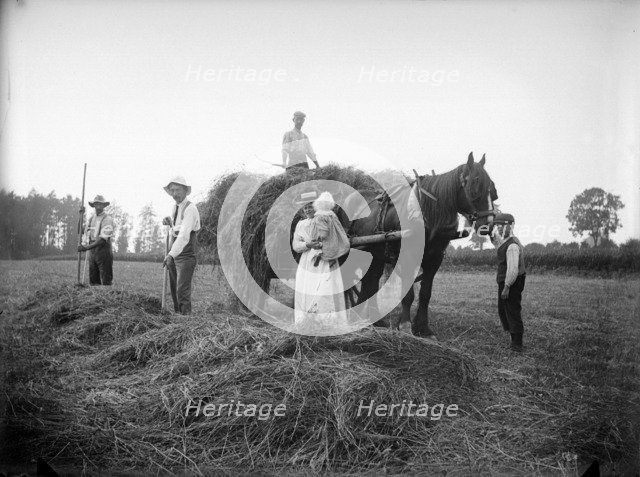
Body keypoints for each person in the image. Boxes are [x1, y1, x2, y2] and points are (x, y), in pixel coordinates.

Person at [292, 191, 348, 332]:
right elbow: (296, 246)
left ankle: (327, 323)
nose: (308, 210)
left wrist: (325, 246)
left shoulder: (327, 218)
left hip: (325, 259)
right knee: (308, 289)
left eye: (310, 206)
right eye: (305, 208)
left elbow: (337, 238)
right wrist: (307, 245)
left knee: (325, 289)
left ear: (316, 206)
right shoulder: (301, 225)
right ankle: (307, 323)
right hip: (308, 261)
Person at [162, 176, 201, 315]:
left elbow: (184, 236)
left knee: (182, 290)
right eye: (172, 190)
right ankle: (177, 316)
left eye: (177, 190)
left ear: (185, 190)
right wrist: (169, 223)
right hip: (174, 252)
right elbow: (177, 230)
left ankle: (185, 320)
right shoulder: (175, 208)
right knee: (173, 289)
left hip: (185, 255)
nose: (174, 194)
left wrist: (171, 254)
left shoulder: (190, 209)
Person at [490, 213, 527, 352]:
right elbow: (497, 242)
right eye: (497, 225)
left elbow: (512, 269)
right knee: (504, 310)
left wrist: (507, 287)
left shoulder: (512, 246)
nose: (498, 228)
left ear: (510, 226)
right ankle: (514, 340)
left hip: (511, 283)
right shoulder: (507, 242)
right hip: (507, 283)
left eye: (501, 225)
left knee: (512, 311)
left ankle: (517, 344)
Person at [78, 195, 114, 286]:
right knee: (93, 280)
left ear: (104, 206)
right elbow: (80, 231)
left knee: (106, 281)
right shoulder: (92, 218)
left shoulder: (107, 219)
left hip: (103, 251)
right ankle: (94, 298)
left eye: (100, 204)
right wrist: (80, 215)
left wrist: (86, 248)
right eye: (96, 204)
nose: (98, 206)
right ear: (93, 205)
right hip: (93, 252)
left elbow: (102, 240)